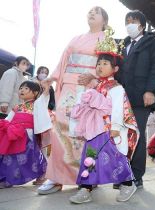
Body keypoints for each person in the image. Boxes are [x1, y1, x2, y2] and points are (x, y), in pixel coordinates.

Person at [37, 6, 109, 195]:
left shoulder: (106, 39)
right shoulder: (76, 38)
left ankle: (87, 177)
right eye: (90, 11)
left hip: (88, 89)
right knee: (59, 128)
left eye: (97, 12)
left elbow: (108, 65)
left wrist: (93, 76)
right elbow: (63, 60)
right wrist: (52, 78)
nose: (92, 13)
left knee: (85, 132)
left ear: (104, 20)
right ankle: (55, 177)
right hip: (69, 86)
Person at [68, 31, 139, 203]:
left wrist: (115, 127)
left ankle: (128, 184)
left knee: (115, 159)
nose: (100, 66)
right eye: (98, 63)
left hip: (108, 130)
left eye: (105, 63)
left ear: (115, 69)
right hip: (94, 130)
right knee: (90, 157)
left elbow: (119, 109)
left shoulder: (116, 88)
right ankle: (86, 189)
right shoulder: (96, 86)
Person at [115, 10, 155, 188]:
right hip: (121, 97)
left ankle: (136, 175)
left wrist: (151, 90)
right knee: (119, 134)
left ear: (142, 24)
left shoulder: (152, 42)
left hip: (141, 96)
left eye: (134, 20)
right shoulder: (122, 45)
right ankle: (122, 172)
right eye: (127, 20)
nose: (130, 23)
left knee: (137, 134)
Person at [0, 81, 52, 188]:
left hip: (27, 135)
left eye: (26, 88)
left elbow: (44, 97)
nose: (22, 90)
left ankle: (42, 173)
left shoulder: (37, 104)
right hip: (14, 135)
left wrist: (46, 88)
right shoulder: (17, 107)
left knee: (28, 157)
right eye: (21, 88)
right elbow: (8, 120)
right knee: (10, 157)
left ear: (35, 92)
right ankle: (7, 178)